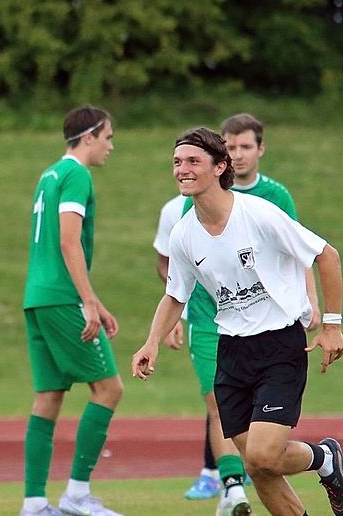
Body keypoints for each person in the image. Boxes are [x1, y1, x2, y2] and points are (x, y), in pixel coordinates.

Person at [131, 127, 343, 516]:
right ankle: (326, 462)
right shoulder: (183, 234)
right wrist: (151, 341)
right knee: (257, 467)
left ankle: (327, 459)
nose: (182, 170)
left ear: (220, 166)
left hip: (279, 344)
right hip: (232, 352)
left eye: (193, 161)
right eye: (177, 162)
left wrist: (331, 325)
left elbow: (326, 255)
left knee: (264, 454)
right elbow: (175, 295)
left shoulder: (258, 214)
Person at [20, 106, 123, 516]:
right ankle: (77, 494)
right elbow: (68, 240)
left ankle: (33, 503)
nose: (111, 147)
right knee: (109, 388)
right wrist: (89, 299)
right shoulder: (78, 174)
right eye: (108, 137)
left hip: (37, 295)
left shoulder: (49, 174)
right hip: (63, 296)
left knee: (48, 396)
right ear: (89, 136)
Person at [154, 194, 224, 501]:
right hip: (203, 320)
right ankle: (215, 474)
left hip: (251, 321)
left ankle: (245, 466)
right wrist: (176, 317)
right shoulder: (174, 210)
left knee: (242, 395)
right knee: (216, 396)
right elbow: (166, 263)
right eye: (180, 162)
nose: (185, 170)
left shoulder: (254, 205)